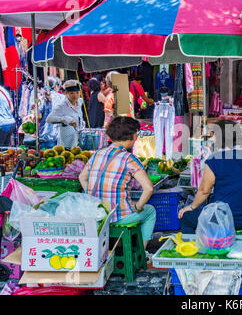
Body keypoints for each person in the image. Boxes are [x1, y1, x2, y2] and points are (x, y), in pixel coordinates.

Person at [78, 116, 156, 253]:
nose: (137, 137)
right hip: (117, 217)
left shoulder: (97, 154)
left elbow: (82, 177)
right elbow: (149, 188)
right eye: (136, 134)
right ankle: (142, 254)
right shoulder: (128, 158)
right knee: (150, 211)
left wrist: (93, 195)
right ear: (131, 136)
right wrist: (138, 207)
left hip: (96, 215)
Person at [177, 120, 242, 234]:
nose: (214, 139)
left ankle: (196, 248)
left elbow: (204, 191)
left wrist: (191, 207)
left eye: (215, 136)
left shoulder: (215, 159)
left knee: (185, 215)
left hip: (226, 219)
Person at [46, 79, 86, 149]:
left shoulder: (80, 103)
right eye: (72, 93)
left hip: (77, 144)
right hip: (65, 146)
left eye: (77, 92)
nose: (75, 96)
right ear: (66, 93)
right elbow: (49, 119)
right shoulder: (62, 106)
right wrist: (65, 119)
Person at [38, 76, 61, 148]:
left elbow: (37, 116)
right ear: (56, 86)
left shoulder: (41, 99)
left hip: (44, 135)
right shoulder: (63, 98)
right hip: (59, 136)